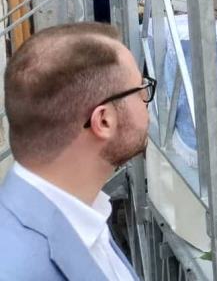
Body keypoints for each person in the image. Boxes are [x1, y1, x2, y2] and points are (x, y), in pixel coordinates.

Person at [0, 22, 152, 280]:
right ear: (103, 121)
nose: (147, 101)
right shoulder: (20, 266)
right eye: (140, 90)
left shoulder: (82, 212)